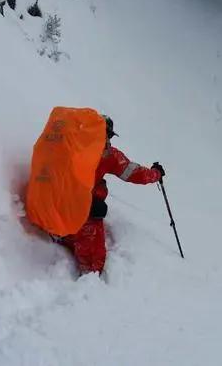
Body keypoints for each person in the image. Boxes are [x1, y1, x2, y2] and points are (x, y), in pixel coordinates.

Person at [56, 116, 165, 274]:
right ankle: (89, 277)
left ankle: (62, 238)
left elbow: (133, 172)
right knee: (93, 245)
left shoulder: (74, 144)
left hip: (56, 203)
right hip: (76, 206)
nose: (107, 139)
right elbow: (134, 173)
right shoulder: (98, 152)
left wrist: (155, 174)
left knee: (87, 218)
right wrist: (156, 174)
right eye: (107, 134)